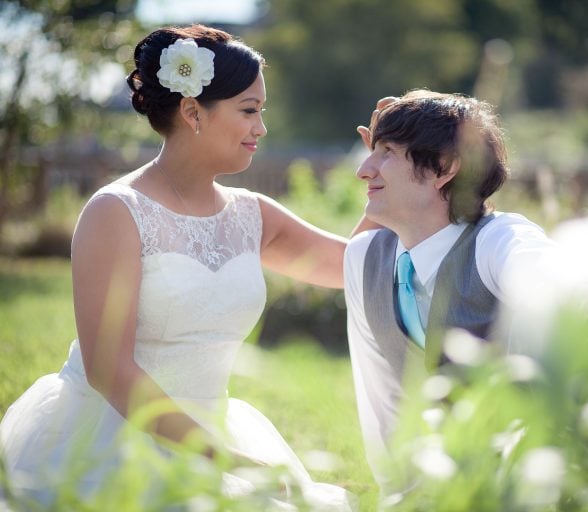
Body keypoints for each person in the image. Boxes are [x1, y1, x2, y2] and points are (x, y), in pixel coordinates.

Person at [0, 25, 356, 510]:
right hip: (110, 437)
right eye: (249, 110)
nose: (261, 128)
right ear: (192, 112)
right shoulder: (116, 212)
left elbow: (354, 266)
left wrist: (388, 179)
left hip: (214, 427)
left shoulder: (252, 214)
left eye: (261, 112)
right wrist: (228, 461)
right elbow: (109, 370)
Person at [344, 90, 556, 487]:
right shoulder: (364, 256)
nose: (363, 169)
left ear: (444, 167)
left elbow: (549, 282)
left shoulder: (498, 240)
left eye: (387, 151)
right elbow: (381, 405)